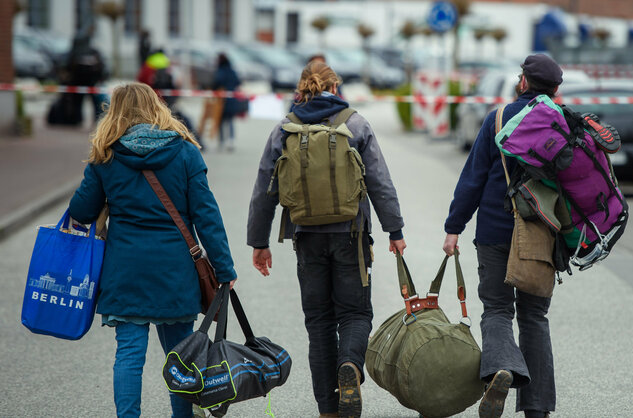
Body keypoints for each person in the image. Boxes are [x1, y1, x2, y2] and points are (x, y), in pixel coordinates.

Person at [68, 82, 237, 418]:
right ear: (157, 106)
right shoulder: (186, 152)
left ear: (114, 112)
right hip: (175, 270)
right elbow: (206, 214)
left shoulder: (106, 155)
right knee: (180, 354)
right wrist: (225, 269)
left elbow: (82, 211)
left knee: (129, 354)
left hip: (125, 270)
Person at [247, 61, 406, 418]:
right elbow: (380, 181)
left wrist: (260, 242)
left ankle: (328, 411)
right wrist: (394, 231)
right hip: (350, 235)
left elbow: (264, 189)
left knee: (319, 323)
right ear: (335, 88)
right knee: (355, 313)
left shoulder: (285, 129)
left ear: (301, 90)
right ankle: (350, 365)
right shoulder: (355, 123)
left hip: (306, 237)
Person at [442, 54, 564, 418]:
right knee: (534, 318)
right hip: (541, 233)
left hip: (495, 230)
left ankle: (501, 370)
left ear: (522, 82)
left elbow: (473, 178)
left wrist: (454, 226)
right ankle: (537, 409)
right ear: (556, 89)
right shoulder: (560, 123)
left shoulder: (497, 118)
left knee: (496, 309)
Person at [212, 53, 242, 151]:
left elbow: (216, 82)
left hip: (222, 101)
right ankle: (231, 141)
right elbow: (238, 82)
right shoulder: (232, 71)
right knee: (230, 121)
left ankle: (221, 141)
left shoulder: (220, 71)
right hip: (232, 100)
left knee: (221, 121)